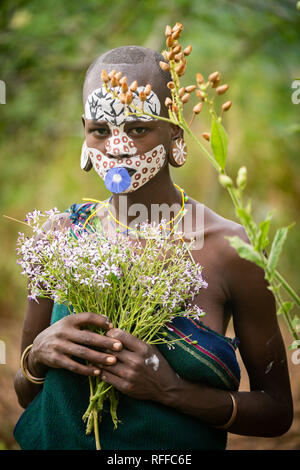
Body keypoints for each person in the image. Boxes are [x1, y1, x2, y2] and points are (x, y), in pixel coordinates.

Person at [13, 45, 293, 450]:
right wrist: (37, 357)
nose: (117, 147)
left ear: (175, 133)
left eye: (138, 129)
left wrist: (171, 390)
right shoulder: (58, 238)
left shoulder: (231, 250)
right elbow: (27, 394)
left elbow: (276, 412)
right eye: (100, 130)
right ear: (84, 132)